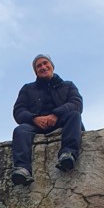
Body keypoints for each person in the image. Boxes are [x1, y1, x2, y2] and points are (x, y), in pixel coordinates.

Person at [11, 54, 83, 185]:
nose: (43, 67)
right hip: (36, 125)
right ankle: (23, 169)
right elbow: (19, 111)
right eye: (38, 66)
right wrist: (34, 118)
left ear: (52, 66)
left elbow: (76, 103)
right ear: (36, 71)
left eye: (45, 63)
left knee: (75, 115)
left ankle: (68, 154)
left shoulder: (68, 85)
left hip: (61, 120)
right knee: (20, 130)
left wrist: (56, 114)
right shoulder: (27, 89)